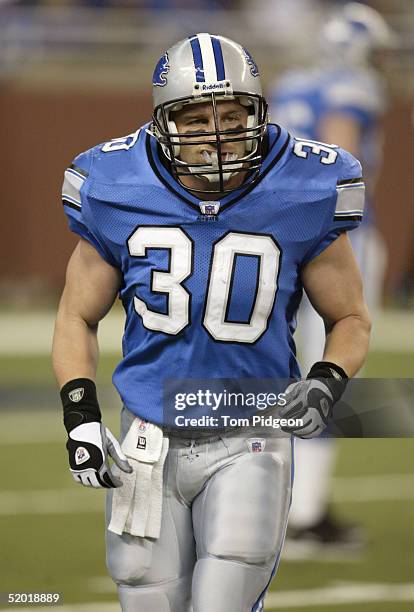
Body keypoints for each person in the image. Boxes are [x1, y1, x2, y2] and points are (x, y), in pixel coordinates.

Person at [52, 33, 371, 611]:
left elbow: (349, 316)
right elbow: (77, 313)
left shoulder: (305, 188)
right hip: (147, 439)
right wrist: (79, 418)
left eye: (232, 115)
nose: (218, 134)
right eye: (197, 118)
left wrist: (326, 381)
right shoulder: (115, 184)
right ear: (163, 123)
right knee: (144, 598)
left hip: (250, 432)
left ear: (257, 111)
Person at [269, 2, 393, 556]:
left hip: (277, 235)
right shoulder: (353, 87)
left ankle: (277, 502)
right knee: (330, 371)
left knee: (279, 368)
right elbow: (340, 157)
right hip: (334, 238)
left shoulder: (293, 82)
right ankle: (303, 515)